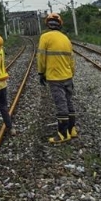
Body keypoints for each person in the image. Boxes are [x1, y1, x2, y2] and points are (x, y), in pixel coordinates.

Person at [37, 13, 77, 144]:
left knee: (61, 104)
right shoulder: (66, 39)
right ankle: (72, 129)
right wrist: (71, 73)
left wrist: (41, 73)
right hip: (67, 75)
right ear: (60, 25)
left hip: (55, 77)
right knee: (69, 102)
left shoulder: (45, 37)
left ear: (47, 24)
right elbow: (72, 60)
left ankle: (63, 134)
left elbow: (41, 57)